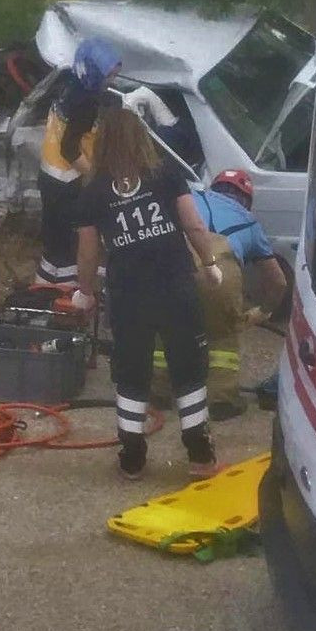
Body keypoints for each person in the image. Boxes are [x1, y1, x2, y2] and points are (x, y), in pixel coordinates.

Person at [73, 107, 224, 480]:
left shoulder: (92, 191)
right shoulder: (165, 174)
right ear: (142, 137)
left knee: (131, 373)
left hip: (129, 294)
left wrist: (85, 292)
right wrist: (209, 262)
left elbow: (88, 251)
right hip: (175, 285)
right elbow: (193, 224)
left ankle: (132, 456)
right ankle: (200, 454)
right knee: (188, 368)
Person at [152, 169, 287, 419]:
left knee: (164, 329)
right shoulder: (249, 221)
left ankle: (157, 392)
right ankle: (222, 401)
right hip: (221, 274)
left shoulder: (188, 197)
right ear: (246, 200)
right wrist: (263, 311)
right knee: (222, 337)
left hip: (176, 266)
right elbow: (277, 281)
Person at [35, 38, 121, 286]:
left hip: (49, 176)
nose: (111, 81)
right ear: (94, 71)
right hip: (68, 183)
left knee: (54, 249)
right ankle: (64, 303)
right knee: (69, 251)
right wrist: (97, 177)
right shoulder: (86, 103)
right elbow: (70, 149)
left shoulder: (69, 84)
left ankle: (44, 291)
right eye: (108, 76)